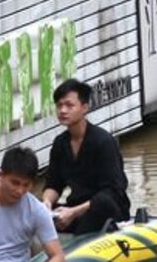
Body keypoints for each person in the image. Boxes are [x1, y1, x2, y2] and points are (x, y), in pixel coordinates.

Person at [42, 79, 131, 234]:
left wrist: (74, 212)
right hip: (76, 205)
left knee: (102, 202)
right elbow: (54, 183)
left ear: (85, 108)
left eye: (69, 105)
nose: (62, 110)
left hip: (106, 209)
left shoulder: (103, 142)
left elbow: (113, 191)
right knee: (34, 207)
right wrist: (46, 203)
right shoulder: (60, 143)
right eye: (59, 105)